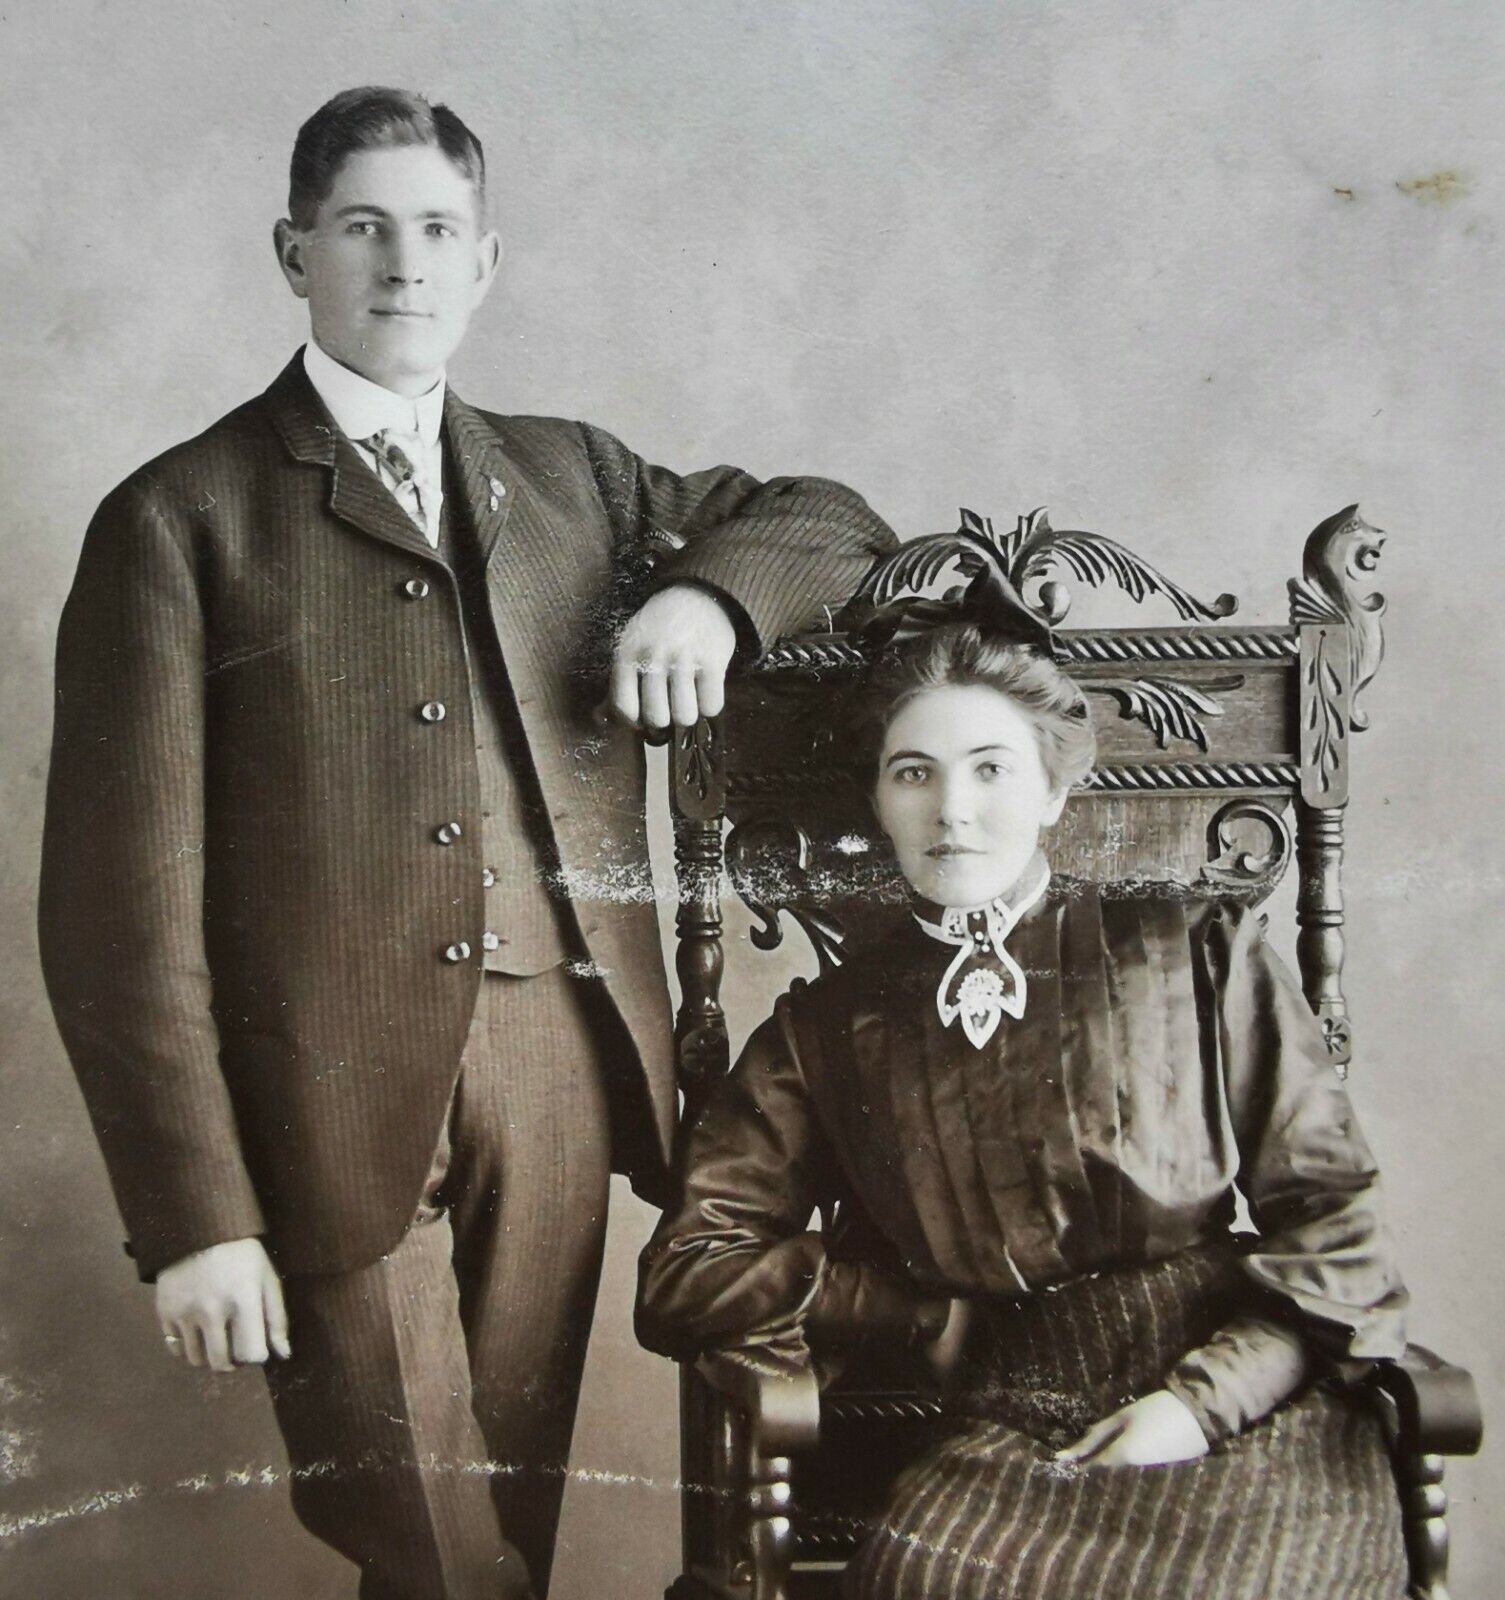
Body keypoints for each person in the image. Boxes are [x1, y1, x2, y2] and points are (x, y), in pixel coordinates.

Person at [37, 86, 895, 1600]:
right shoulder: (179, 517)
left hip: (559, 1066)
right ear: (294, 251)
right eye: (364, 227)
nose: (405, 265)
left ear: (486, 262)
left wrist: (707, 598)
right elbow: (120, 916)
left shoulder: (575, 481)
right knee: (435, 1543)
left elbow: (829, 521)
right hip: (321, 1095)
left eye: (437, 230)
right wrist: (194, 1218)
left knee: (507, 1515)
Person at [636, 617, 1412, 1598]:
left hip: (1250, 1394)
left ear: (1051, 790)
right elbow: (685, 1271)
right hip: (1006, 1412)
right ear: (876, 798)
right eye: (912, 772)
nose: (950, 809)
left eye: (990, 769)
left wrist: (1197, 1405)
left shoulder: (1192, 948)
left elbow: (1335, 1221)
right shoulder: (825, 1029)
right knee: (927, 1581)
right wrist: (912, 1309)